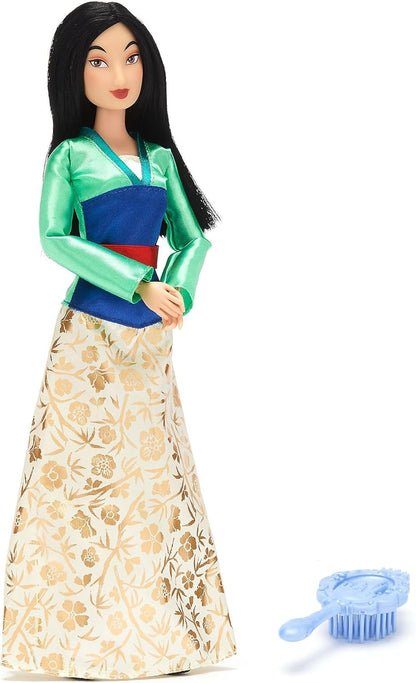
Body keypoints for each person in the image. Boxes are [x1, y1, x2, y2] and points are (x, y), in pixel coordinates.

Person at [1, 2, 237, 678]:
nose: (118, 73)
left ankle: (163, 628)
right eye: (99, 59)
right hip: (89, 332)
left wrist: (178, 291)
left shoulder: (159, 159)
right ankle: (64, 632)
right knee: (77, 472)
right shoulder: (70, 157)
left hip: (150, 336)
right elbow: (54, 237)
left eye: (131, 57)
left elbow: (191, 239)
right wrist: (138, 282)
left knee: (154, 472)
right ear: (74, 73)